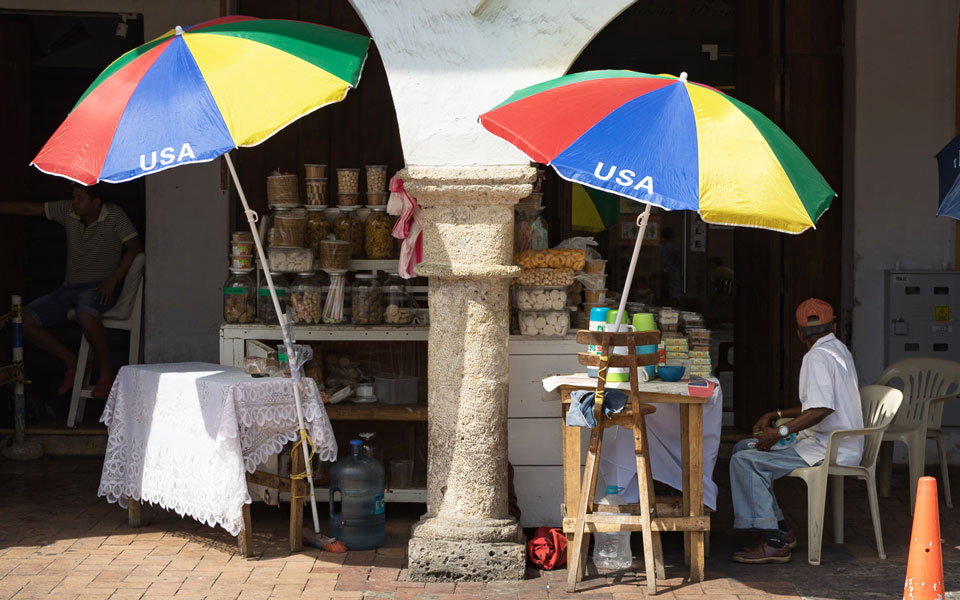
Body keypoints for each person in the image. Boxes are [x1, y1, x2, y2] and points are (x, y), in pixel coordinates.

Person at [728, 298, 862, 564]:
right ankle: (781, 530)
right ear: (833, 325)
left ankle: (773, 542)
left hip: (829, 447)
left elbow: (821, 409)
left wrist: (779, 432)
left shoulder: (816, 357)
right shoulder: (838, 349)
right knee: (743, 448)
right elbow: (816, 403)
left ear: (799, 334)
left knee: (744, 461)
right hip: (841, 442)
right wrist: (774, 415)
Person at [0, 184, 142, 399]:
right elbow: (29, 209)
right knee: (22, 321)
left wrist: (113, 280)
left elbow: (135, 247)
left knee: (85, 313)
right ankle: (73, 362)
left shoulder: (114, 214)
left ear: (96, 203)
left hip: (100, 287)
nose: (74, 202)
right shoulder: (68, 211)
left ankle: (105, 374)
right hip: (69, 289)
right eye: (74, 197)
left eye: (79, 198)